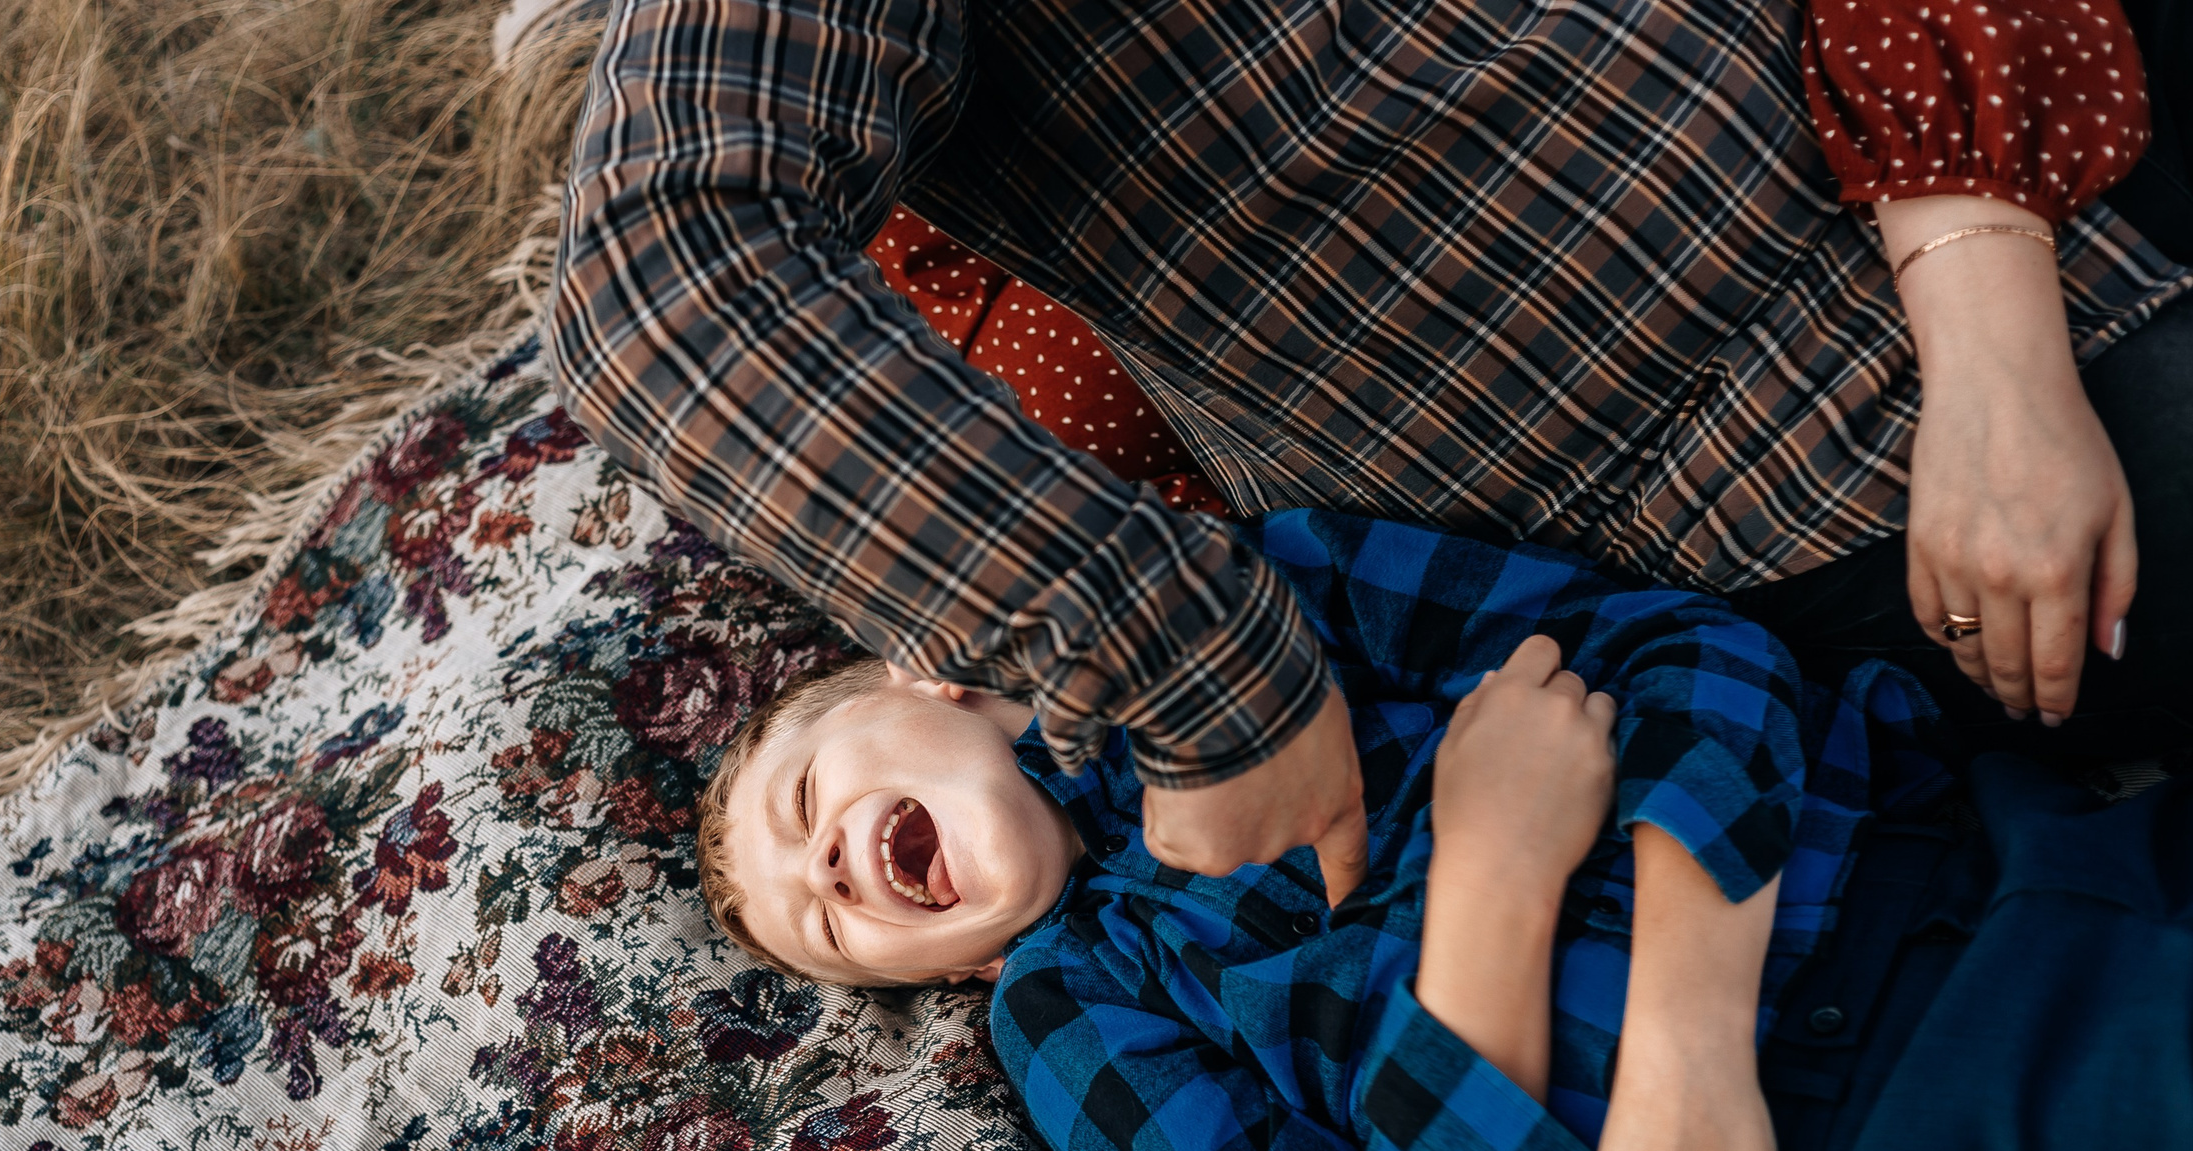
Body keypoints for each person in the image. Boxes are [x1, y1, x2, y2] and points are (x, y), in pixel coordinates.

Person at [553, 0, 2191, 912]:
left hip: (1975, 103)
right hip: (1820, 426)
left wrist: (1991, 315)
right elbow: (662, 276)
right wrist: (1201, 673)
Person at [691, 507, 2193, 1151]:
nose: (829, 868)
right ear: (950, 978)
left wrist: (1681, 1047)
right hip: (1870, 1111)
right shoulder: (1074, 1013)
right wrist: (1490, 885)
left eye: (807, 800)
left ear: (924, 673)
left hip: (1950, 841)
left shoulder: (1245, 601)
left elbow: (1696, 653)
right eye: (830, 931)